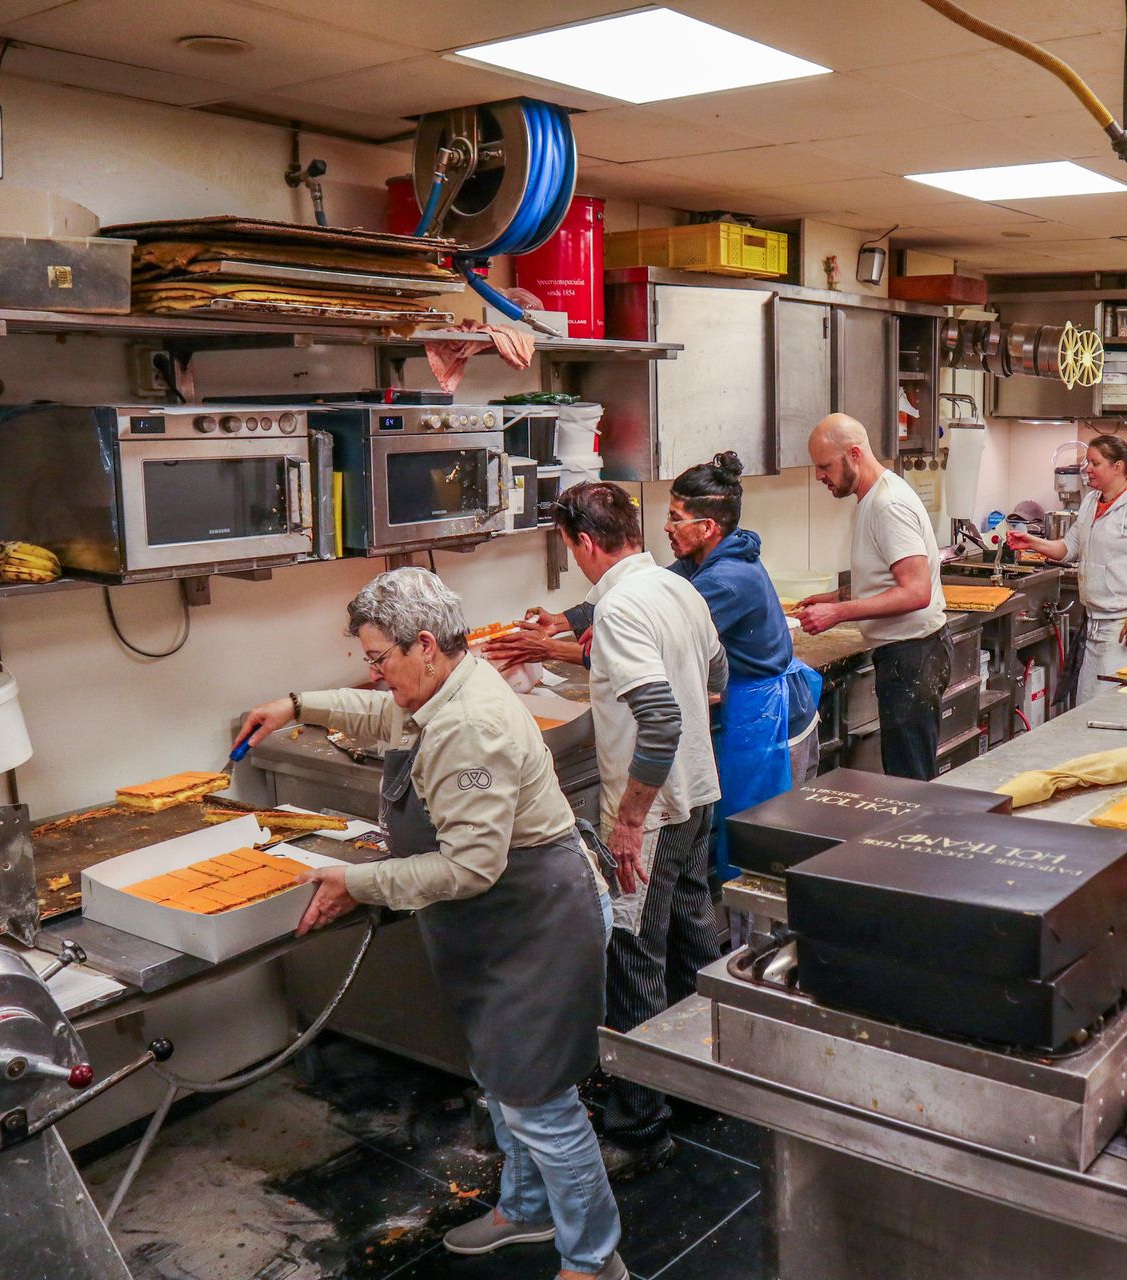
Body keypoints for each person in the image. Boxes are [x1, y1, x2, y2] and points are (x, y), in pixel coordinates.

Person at [233, 568, 625, 1280]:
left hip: (535, 922)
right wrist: (295, 705)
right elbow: (381, 717)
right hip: (496, 929)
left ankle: (594, 1259)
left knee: (541, 1102)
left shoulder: (468, 725)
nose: (375, 674)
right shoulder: (443, 685)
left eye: (379, 659)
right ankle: (528, 1209)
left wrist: (357, 882)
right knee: (505, 1083)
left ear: (424, 646)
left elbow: (469, 868)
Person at [491, 454, 823, 873]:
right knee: (696, 892)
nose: (666, 527)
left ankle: (762, 931)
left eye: (675, 518)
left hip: (769, 714)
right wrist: (561, 622)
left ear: (707, 527)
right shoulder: (698, 563)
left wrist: (550, 650)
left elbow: (663, 669)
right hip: (734, 715)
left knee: (758, 847)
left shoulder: (723, 581)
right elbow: (640, 582)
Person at [543, 482, 726, 1180]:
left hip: (653, 815)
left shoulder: (620, 606)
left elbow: (662, 717)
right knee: (691, 937)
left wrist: (627, 822)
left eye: (568, 548)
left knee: (634, 956)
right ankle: (702, 1088)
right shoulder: (677, 585)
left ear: (585, 543)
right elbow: (714, 673)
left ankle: (642, 1128)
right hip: (697, 793)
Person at [797, 412, 949, 780]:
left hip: (912, 657)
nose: (819, 476)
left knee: (910, 780)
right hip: (908, 655)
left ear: (853, 454)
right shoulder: (873, 498)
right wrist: (835, 597)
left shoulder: (888, 505)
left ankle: (915, 839)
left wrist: (840, 613)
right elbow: (888, 578)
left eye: (824, 466)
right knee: (906, 774)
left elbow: (916, 592)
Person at [1006, 436, 1127, 703]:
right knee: (1088, 701)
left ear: (1117, 467)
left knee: (1109, 704)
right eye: (1087, 462)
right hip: (1098, 620)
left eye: (1095, 463)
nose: (1087, 469)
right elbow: (1070, 547)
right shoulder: (1092, 500)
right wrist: (1032, 542)